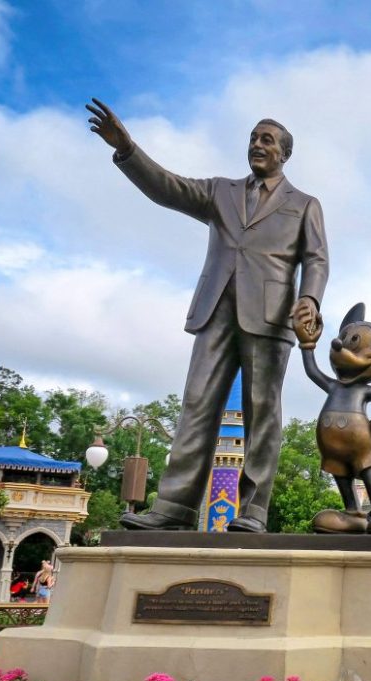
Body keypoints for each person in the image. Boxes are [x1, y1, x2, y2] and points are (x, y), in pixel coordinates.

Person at [86, 100, 328, 533]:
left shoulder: (304, 203)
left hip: (271, 318)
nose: (257, 144)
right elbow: (168, 187)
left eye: (267, 140)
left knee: (262, 413)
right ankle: (175, 508)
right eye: (253, 137)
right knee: (197, 405)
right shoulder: (221, 191)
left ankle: (252, 510)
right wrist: (127, 150)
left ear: (284, 154)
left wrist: (309, 299)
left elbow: (317, 260)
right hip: (215, 310)